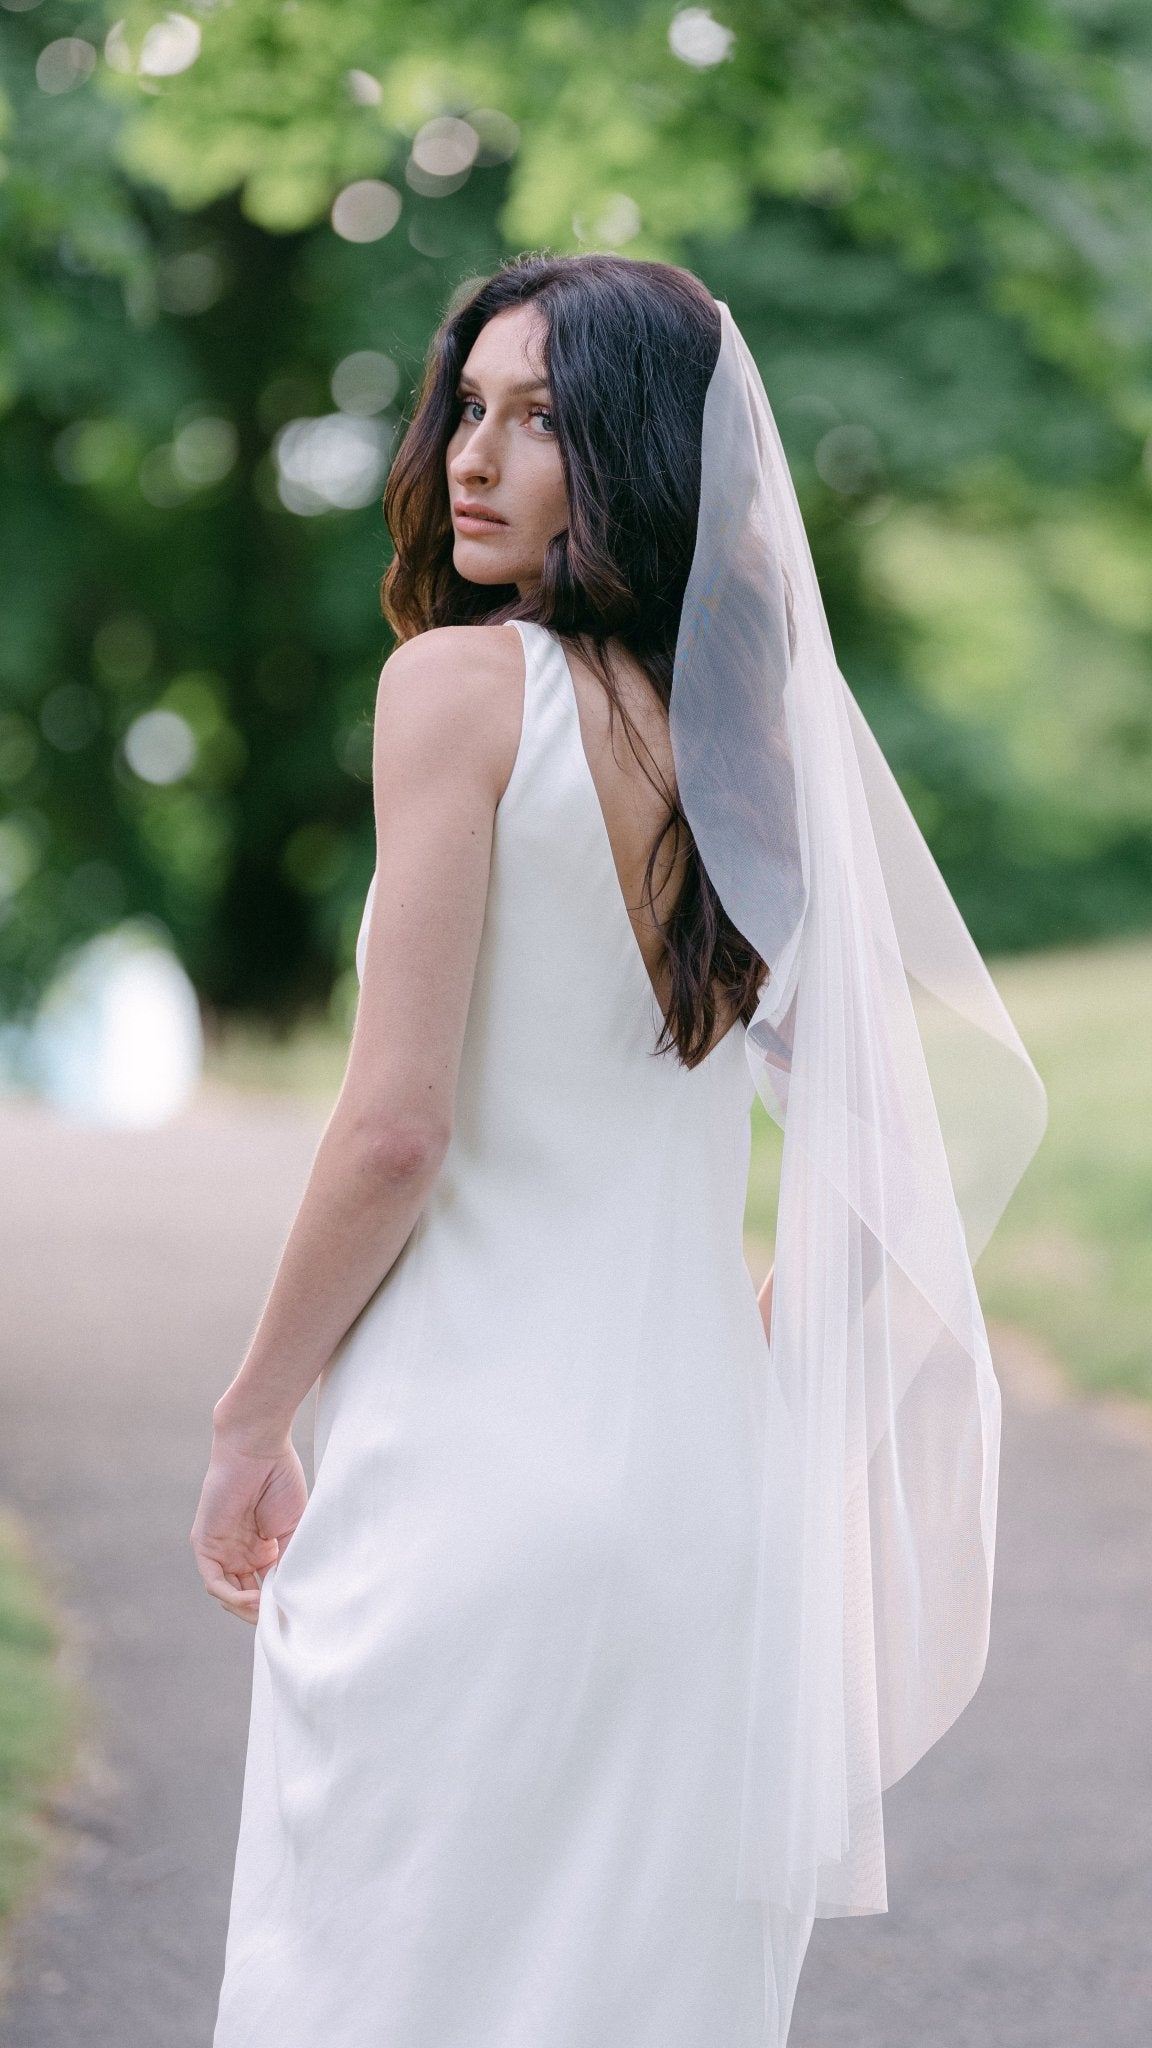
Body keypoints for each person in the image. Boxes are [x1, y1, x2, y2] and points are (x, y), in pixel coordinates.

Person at [193, 253, 1045, 2047]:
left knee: (374, 1986)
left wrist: (250, 1418)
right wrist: (748, 1341)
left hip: (461, 1494)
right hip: (701, 1519)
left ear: (647, 453)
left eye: (546, 420)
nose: (474, 460)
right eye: (471, 410)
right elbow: (912, 1167)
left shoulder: (456, 692)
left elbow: (395, 1131)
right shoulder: (763, 753)